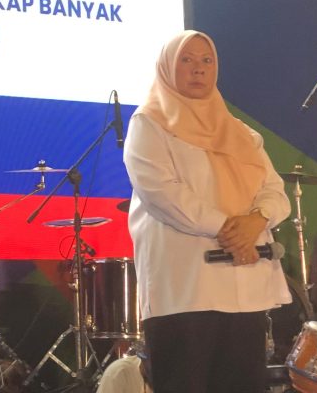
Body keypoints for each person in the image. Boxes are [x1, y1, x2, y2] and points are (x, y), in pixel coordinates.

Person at [122, 30, 291, 393]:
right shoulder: (149, 124)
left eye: (206, 60)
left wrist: (256, 221)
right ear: (167, 67)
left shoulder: (241, 133)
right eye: (186, 60)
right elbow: (162, 194)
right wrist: (232, 230)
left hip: (245, 286)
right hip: (186, 288)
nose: (198, 68)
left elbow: (275, 191)